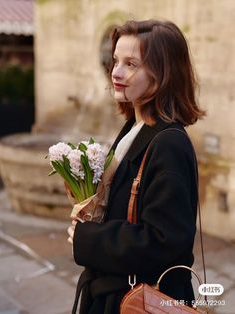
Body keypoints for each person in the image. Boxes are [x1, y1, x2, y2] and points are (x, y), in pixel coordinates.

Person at [67, 19, 205, 314]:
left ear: (162, 74)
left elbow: (165, 242)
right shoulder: (136, 126)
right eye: (115, 60)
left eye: (131, 64)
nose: (116, 72)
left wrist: (88, 237)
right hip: (114, 293)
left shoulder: (169, 144)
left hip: (139, 300)